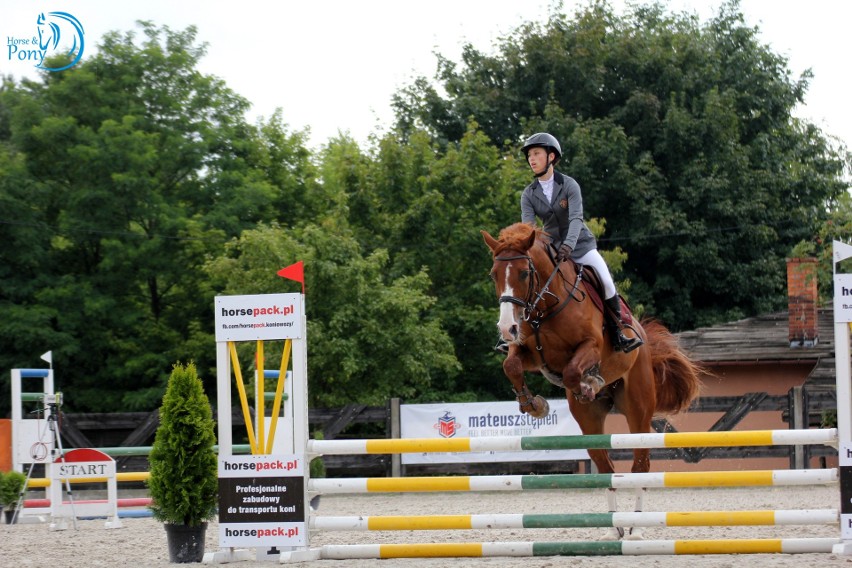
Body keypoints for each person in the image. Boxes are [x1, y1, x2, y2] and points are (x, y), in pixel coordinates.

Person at [496, 132, 642, 354]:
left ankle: (620, 331)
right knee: (527, 284)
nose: (531, 159)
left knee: (607, 282)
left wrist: (569, 246)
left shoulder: (569, 185)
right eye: (529, 156)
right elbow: (528, 229)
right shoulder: (528, 194)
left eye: (536, 154)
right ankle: (513, 335)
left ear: (551, 156)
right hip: (551, 248)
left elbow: (576, 219)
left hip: (580, 245)